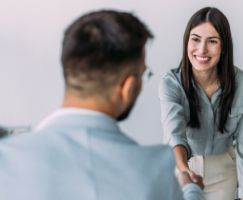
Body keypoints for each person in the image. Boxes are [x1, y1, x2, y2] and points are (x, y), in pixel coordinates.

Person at [0, 10, 204, 200]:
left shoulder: (7, 159)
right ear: (128, 86)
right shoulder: (155, 169)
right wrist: (191, 189)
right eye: (144, 74)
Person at [158, 7, 243, 200]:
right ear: (187, 41)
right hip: (183, 167)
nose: (202, 50)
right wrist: (184, 172)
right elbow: (174, 133)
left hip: (223, 171)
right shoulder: (170, 84)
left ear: (224, 47)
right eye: (195, 39)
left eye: (212, 41)